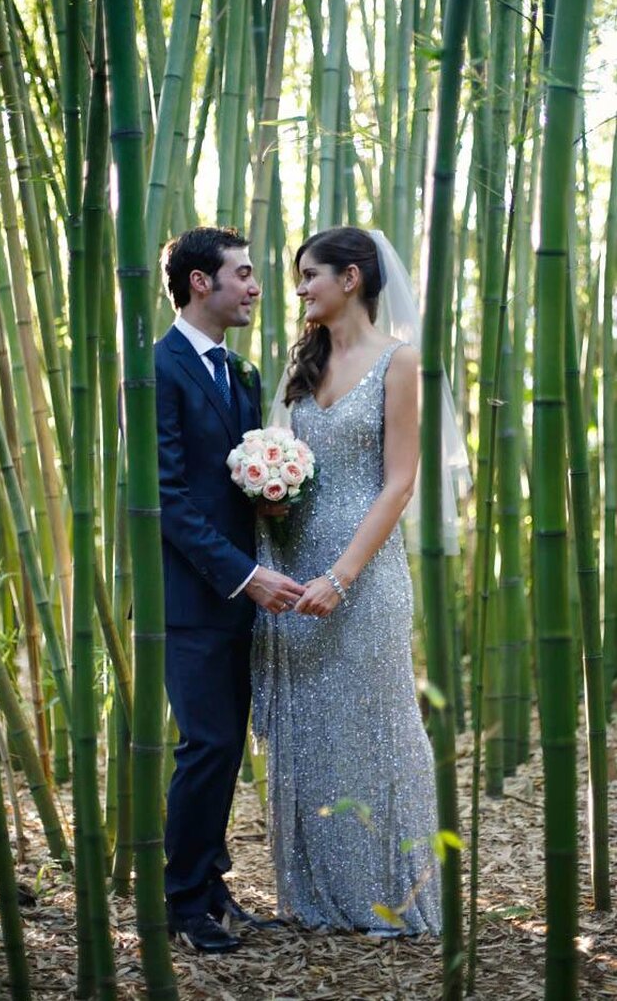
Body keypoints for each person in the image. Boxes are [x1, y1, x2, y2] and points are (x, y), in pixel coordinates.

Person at [252, 226, 443, 935]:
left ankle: (391, 896)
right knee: (311, 734)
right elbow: (290, 464)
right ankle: (315, 898)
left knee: (377, 728)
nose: (299, 288)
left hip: (360, 572)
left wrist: (342, 576)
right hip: (294, 566)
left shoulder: (399, 362)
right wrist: (270, 498)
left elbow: (396, 484)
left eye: (309, 274)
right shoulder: (300, 365)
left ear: (351, 279)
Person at [155, 226, 304, 953]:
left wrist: (271, 500)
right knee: (207, 744)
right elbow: (167, 497)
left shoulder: (238, 374)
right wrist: (246, 576)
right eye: (242, 274)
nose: (254, 286)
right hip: (188, 599)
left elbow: (234, 476)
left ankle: (211, 889)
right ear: (198, 284)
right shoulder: (156, 368)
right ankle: (180, 904)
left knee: (222, 745)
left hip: (237, 598)